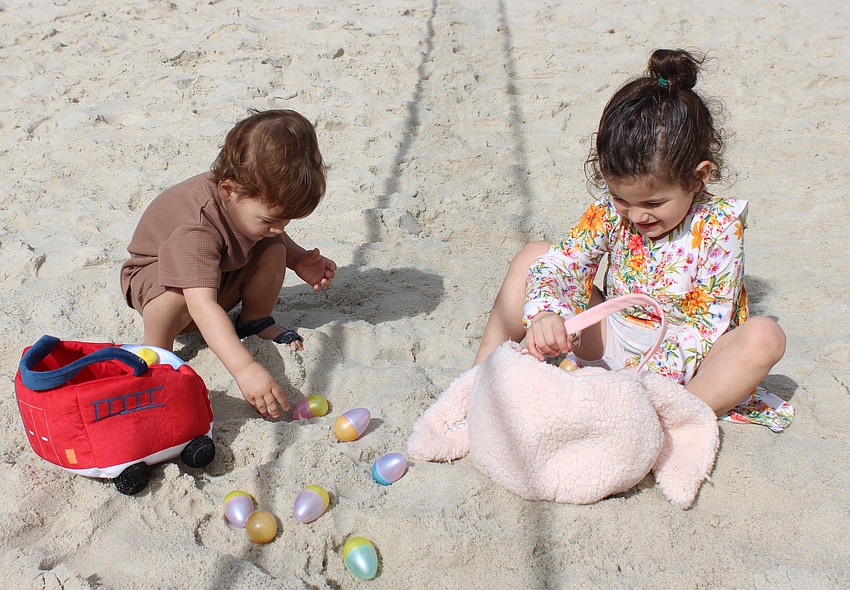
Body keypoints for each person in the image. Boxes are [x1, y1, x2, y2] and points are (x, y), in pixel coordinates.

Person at [474, 49, 786, 416]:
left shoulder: (718, 225)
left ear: (699, 176)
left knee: (765, 337)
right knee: (535, 254)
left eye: (653, 204)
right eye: (622, 198)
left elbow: (706, 329)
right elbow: (563, 261)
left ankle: (672, 421)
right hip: (611, 338)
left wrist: (638, 380)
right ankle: (479, 379)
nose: (637, 215)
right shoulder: (612, 211)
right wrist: (547, 314)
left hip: (681, 370)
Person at [121, 109, 336, 419]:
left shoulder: (246, 203)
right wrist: (245, 367)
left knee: (272, 245)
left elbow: (270, 235)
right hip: (159, 280)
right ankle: (157, 354)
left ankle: (254, 320)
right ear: (228, 191)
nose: (280, 227)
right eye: (270, 219)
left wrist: (298, 258)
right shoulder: (196, 227)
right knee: (177, 298)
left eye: (285, 220)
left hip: (218, 270)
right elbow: (202, 306)